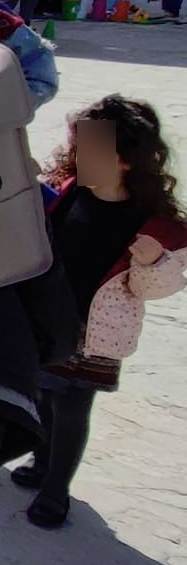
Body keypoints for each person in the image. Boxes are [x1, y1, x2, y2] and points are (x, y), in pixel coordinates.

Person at [15, 95, 185, 527]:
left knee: (72, 408)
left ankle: (56, 490)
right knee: (43, 394)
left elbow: (153, 290)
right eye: (79, 146)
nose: (80, 156)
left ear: (126, 160)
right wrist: (25, 185)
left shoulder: (152, 222)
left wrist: (153, 263)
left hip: (97, 333)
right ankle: (42, 459)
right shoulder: (64, 192)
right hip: (50, 318)